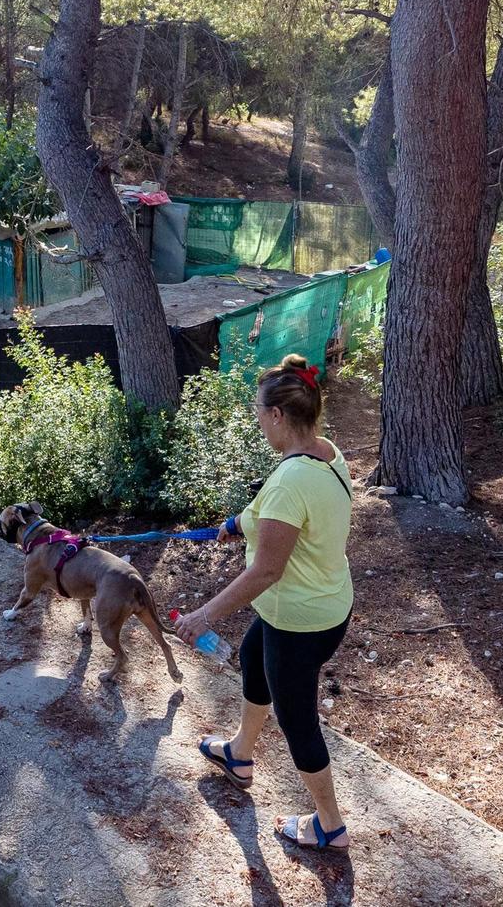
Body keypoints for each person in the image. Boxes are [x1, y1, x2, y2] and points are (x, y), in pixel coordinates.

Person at [174, 353, 355, 851]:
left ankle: (330, 825)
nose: (256, 417)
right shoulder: (324, 453)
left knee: (298, 720)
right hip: (321, 603)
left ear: (277, 415)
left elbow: (268, 569)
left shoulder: (290, 480)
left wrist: (203, 615)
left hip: (301, 620)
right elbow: (278, 512)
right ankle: (240, 752)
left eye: (258, 409)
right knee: (253, 658)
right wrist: (236, 525)